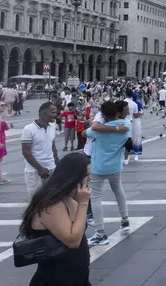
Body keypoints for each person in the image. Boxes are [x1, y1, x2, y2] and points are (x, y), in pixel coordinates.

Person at [18, 152, 91, 286]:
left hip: (76, 276)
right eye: (87, 176)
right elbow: (73, 240)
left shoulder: (70, 197)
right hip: (55, 279)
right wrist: (83, 203)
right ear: (74, 177)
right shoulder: (51, 205)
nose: (89, 180)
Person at [85, 101, 131, 246]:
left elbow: (84, 132)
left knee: (96, 197)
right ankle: (124, 219)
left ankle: (100, 232)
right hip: (115, 166)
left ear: (104, 115)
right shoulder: (126, 125)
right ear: (118, 112)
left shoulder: (97, 129)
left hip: (98, 167)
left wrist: (99, 122)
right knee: (118, 190)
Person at [22, 101, 59, 200]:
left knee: (51, 200)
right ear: (44, 113)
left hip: (51, 168)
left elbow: (53, 146)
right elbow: (26, 152)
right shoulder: (28, 129)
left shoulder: (52, 126)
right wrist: (40, 169)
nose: (55, 115)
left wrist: (57, 164)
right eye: (53, 112)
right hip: (34, 172)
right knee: (35, 201)